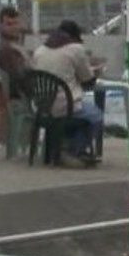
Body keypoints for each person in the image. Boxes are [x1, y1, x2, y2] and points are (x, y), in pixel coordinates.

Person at [32, 19, 102, 166]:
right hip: (66, 105)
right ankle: (72, 150)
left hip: (42, 108)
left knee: (80, 114)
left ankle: (60, 149)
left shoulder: (39, 51)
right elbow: (88, 81)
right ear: (76, 35)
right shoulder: (76, 49)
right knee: (95, 115)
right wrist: (95, 71)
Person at [0, 5, 29, 100]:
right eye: (9, 24)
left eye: (16, 23)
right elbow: (21, 78)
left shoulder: (15, 43)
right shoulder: (7, 49)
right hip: (16, 100)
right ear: (0, 25)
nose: (14, 27)